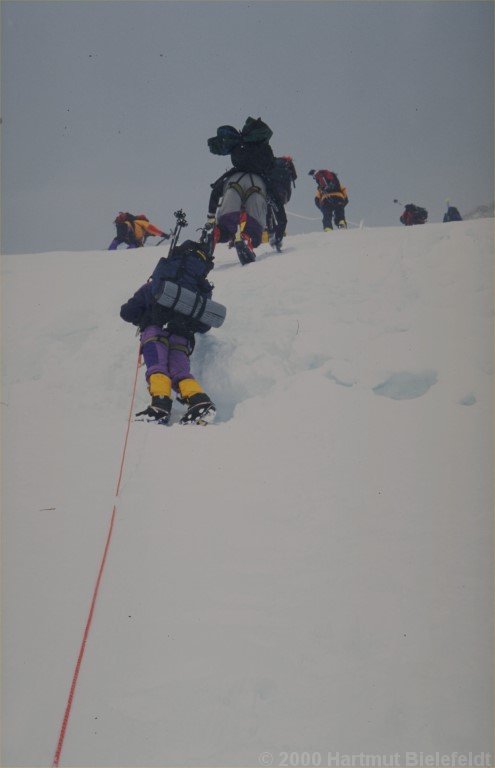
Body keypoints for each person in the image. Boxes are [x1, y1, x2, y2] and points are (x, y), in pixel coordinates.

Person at [120, 239, 216, 425]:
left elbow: (127, 312)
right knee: (180, 373)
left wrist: (143, 317)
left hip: (155, 331)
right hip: (183, 337)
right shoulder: (200, 290)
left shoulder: (157, 285)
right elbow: (204, 324)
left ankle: (160, 406)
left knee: (157, 366)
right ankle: (200, 402)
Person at [205, 170, 268, 264]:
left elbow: (215, 193)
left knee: (226, 227)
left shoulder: (232, 173)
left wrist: (211, 216)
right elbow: (276, 201)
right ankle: (246, 239)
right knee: (254, 229)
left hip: (232, 183)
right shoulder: (264, 176)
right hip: (257, 186)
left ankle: (215, 234)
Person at [265, 155, 297, 251]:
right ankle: (277, 239)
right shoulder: (286, 164)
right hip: (279, 195)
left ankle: (271, 234)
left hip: (267, 192)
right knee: (282, 220)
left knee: (269, 213)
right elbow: (294, 176)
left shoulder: (271, 163)